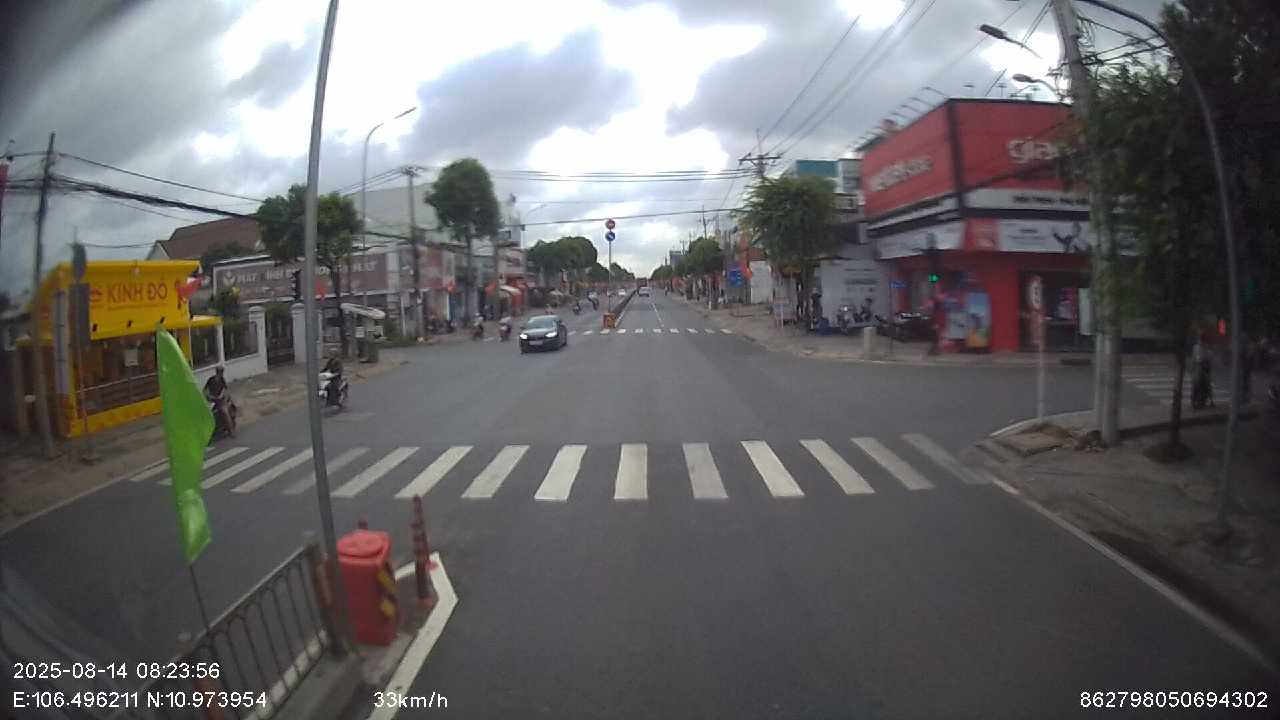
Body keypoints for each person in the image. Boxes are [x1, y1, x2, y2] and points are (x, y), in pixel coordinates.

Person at [203, 365, 232, 431]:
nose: (221, 373)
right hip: (211, 400)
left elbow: (225, 389)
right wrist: (207, 395)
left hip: (220, 400)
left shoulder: (222, 380)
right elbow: (205, 389)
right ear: (217, 372)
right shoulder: (211, 379)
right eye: (220, 371)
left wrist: (221, 395)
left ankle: (231, 430)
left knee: (225, 412)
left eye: (221, 371)